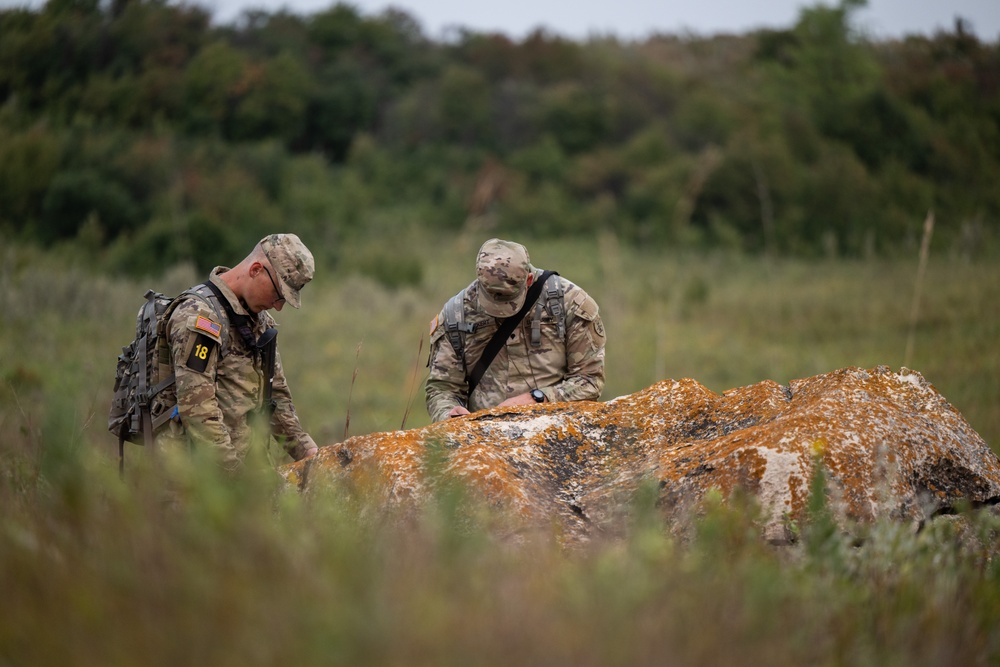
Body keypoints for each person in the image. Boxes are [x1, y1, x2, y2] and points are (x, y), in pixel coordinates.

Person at [153, 233, 318, 473]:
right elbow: (198, 411)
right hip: (194, 481)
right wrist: (236, 478)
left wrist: (309, 453)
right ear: (256, 270)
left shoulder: (260, 323)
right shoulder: (199, 317)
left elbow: (276, 398)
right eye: (278, 293)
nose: (279, 306)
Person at [425, 238, 606, 421]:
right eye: (492, 301)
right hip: (484, 440)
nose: (500, 310)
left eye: (508, 301)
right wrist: (448, 414)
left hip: (556, 432)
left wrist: (538, 399)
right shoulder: (456, 315)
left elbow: (589, 381)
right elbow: (442, 387)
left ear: (528, 280)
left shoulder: (569, 304)